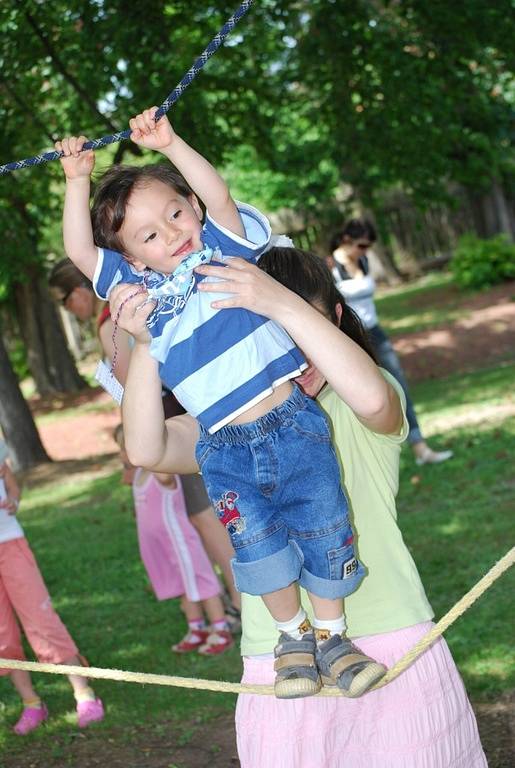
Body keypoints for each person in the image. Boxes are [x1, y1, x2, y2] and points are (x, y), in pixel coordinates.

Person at [55, 107, 389, 700]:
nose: (173, 232)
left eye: (176, 213)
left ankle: (334, 640)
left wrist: (171, 142)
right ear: (133, 261)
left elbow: (216, 190)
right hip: (221, 445)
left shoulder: (222, 251)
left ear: (193, 209)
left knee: (326, 525)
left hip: (291, 421)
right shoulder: (149, 304)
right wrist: (76, 180)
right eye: (150, 235)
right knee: (256, 546)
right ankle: (293, 640)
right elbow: (81, 251)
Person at [117, 246, 484, 765]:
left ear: (333, 319)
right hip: (281, 660)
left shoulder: (361, 399)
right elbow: (146, 449)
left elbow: (376, 401)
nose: (295, 355)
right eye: (271, 337)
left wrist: (279, 304)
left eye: (305, 329)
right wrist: (148, 347)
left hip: (390, 640)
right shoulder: (226, 432)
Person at [49, 259, 241, 622]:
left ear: (76, 293)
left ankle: (242, 600)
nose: (67, 310)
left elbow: (133, 391)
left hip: (170, 422)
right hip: (192, 405)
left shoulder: (112, 322)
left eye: (63, 302)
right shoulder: (133, 299)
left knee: (204, 516)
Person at [0, 439, 104, 734]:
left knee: (41, 619)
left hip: (9, 544)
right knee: (2, 635)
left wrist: (14, 500)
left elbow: (7, 477)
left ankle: (84, 694)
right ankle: (32, 703)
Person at [330, 219, 453, 466]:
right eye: (362, 245)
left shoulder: (363, 261)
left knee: (399, 387)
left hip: (376, 333)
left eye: (369, 246)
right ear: (346, 240)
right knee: (356, 399)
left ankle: (420, 448)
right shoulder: (329, 268)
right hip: (351, 340)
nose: (366, 251)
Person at [114, 425, 233, 655]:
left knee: (200, 581)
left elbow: (163, 471)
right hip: (160, 545)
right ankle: (196, 626)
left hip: (179, 542)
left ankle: (220, 628)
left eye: (125, 448)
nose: (122, 454)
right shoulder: (139, 474)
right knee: (181, 585)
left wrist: (151, 449)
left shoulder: (162, 472)